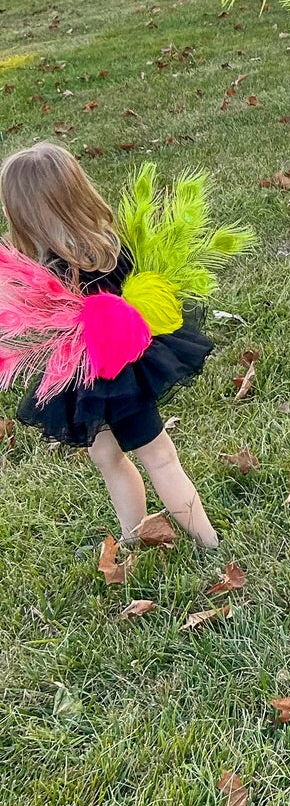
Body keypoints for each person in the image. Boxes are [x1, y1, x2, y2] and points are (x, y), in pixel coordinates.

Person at [1, 142, 220, 548]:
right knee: (141, 458)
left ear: (23, 217)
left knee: (138, 459)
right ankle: (138, 536)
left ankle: (206, 542)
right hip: (123, 368)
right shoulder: (113, 245)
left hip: (97, 380)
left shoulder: (51, 272)